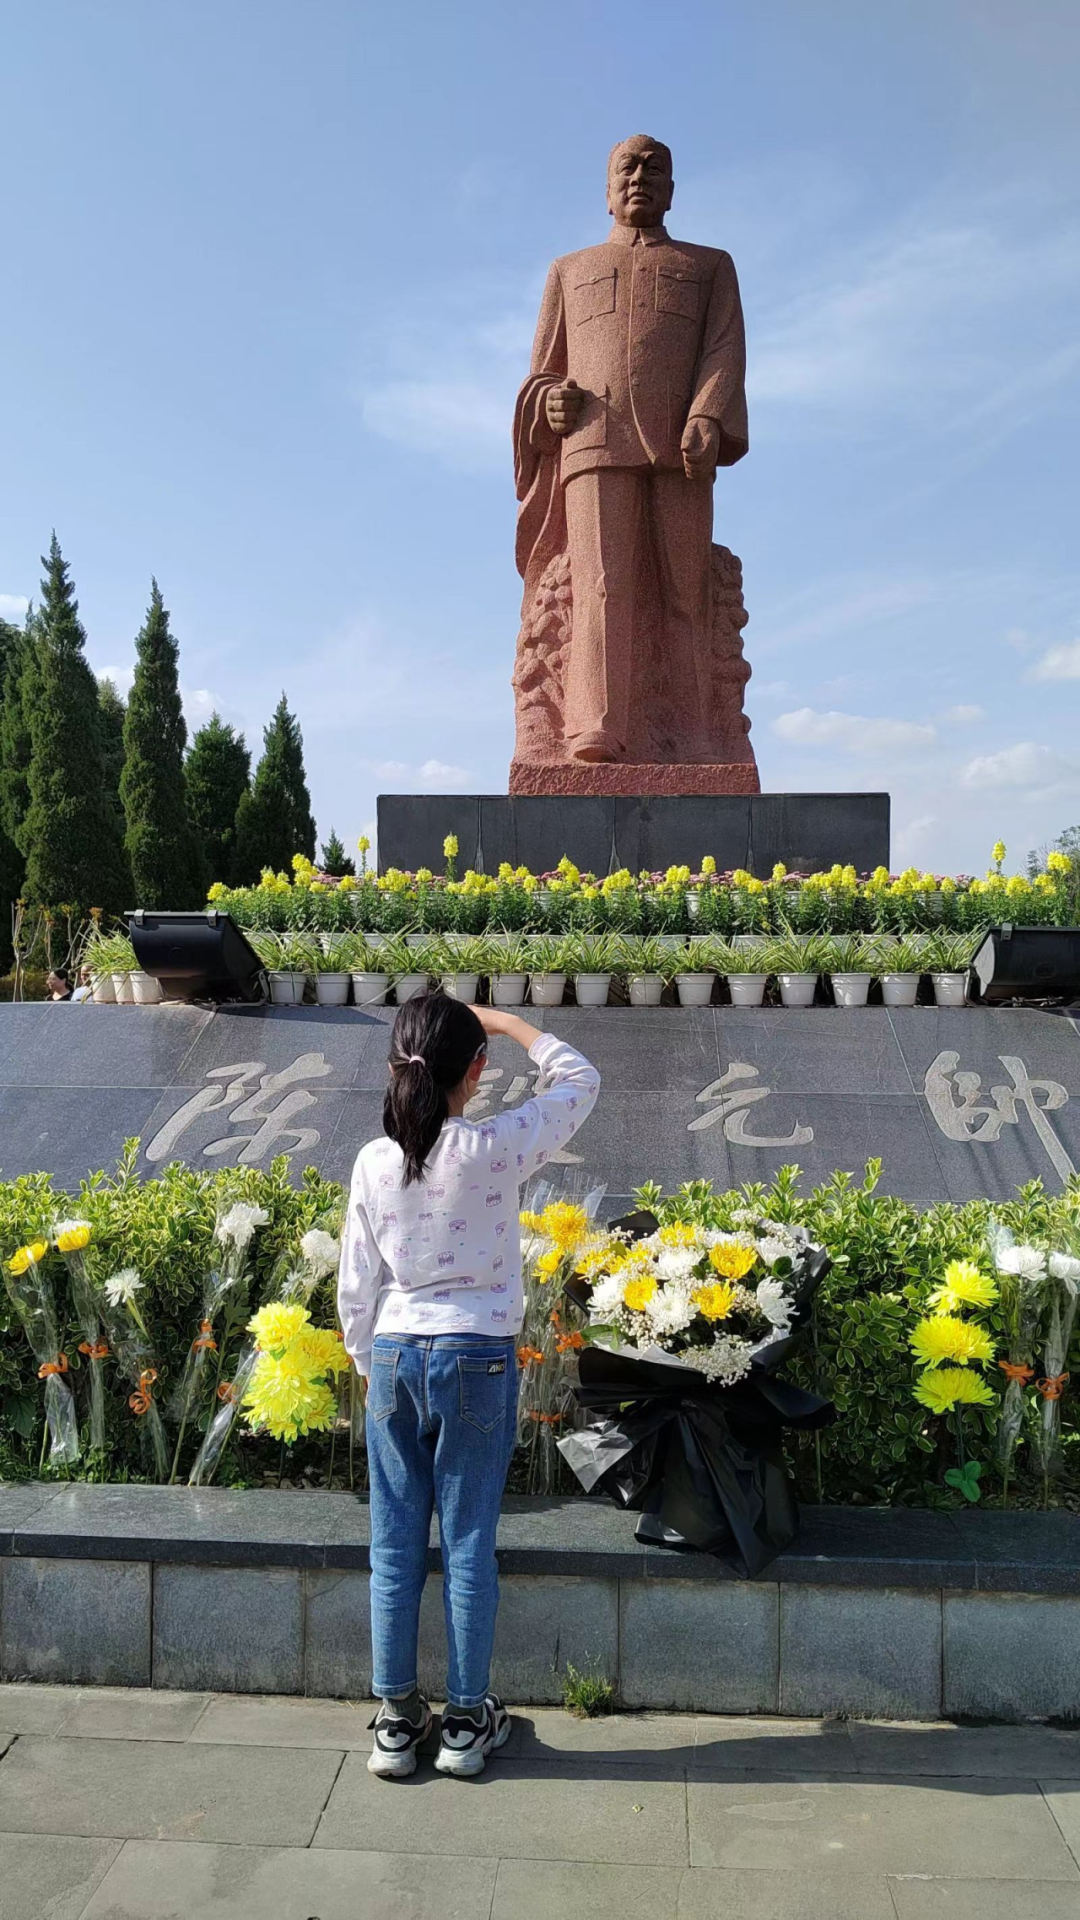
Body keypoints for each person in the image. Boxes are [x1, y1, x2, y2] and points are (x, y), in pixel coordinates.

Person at [337, 993, 600, 1779]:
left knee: (393, 1544)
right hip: (477, 1355)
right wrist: (511, 1023)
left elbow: (357, 1280)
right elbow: (580, 1081)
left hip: (395, 1354)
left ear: (395, 1064)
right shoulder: (494, 1147)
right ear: (476, 1071)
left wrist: (367, 1362)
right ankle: (463, 1722)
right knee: (467, 1542)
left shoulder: (373, 1160)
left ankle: (395, 1720)